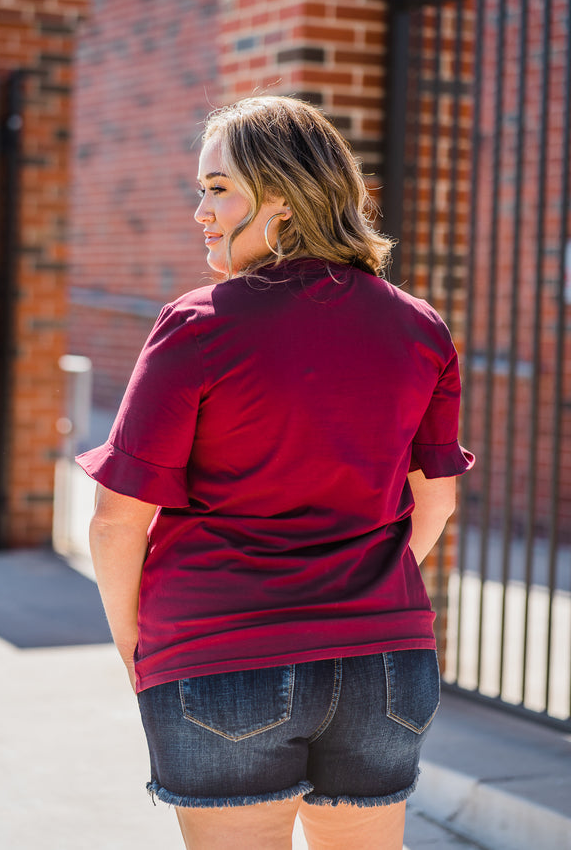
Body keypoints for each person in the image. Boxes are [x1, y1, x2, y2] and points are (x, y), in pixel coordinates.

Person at [77, 95, 474, 850]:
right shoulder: (420, 326)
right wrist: (349, 583)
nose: (200, 209)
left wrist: (136, 645)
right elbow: (436, 505)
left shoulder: (200, 324)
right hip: (385, 663)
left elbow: (115, 519)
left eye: (218, 187)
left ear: (284, 199)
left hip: (221, 655)